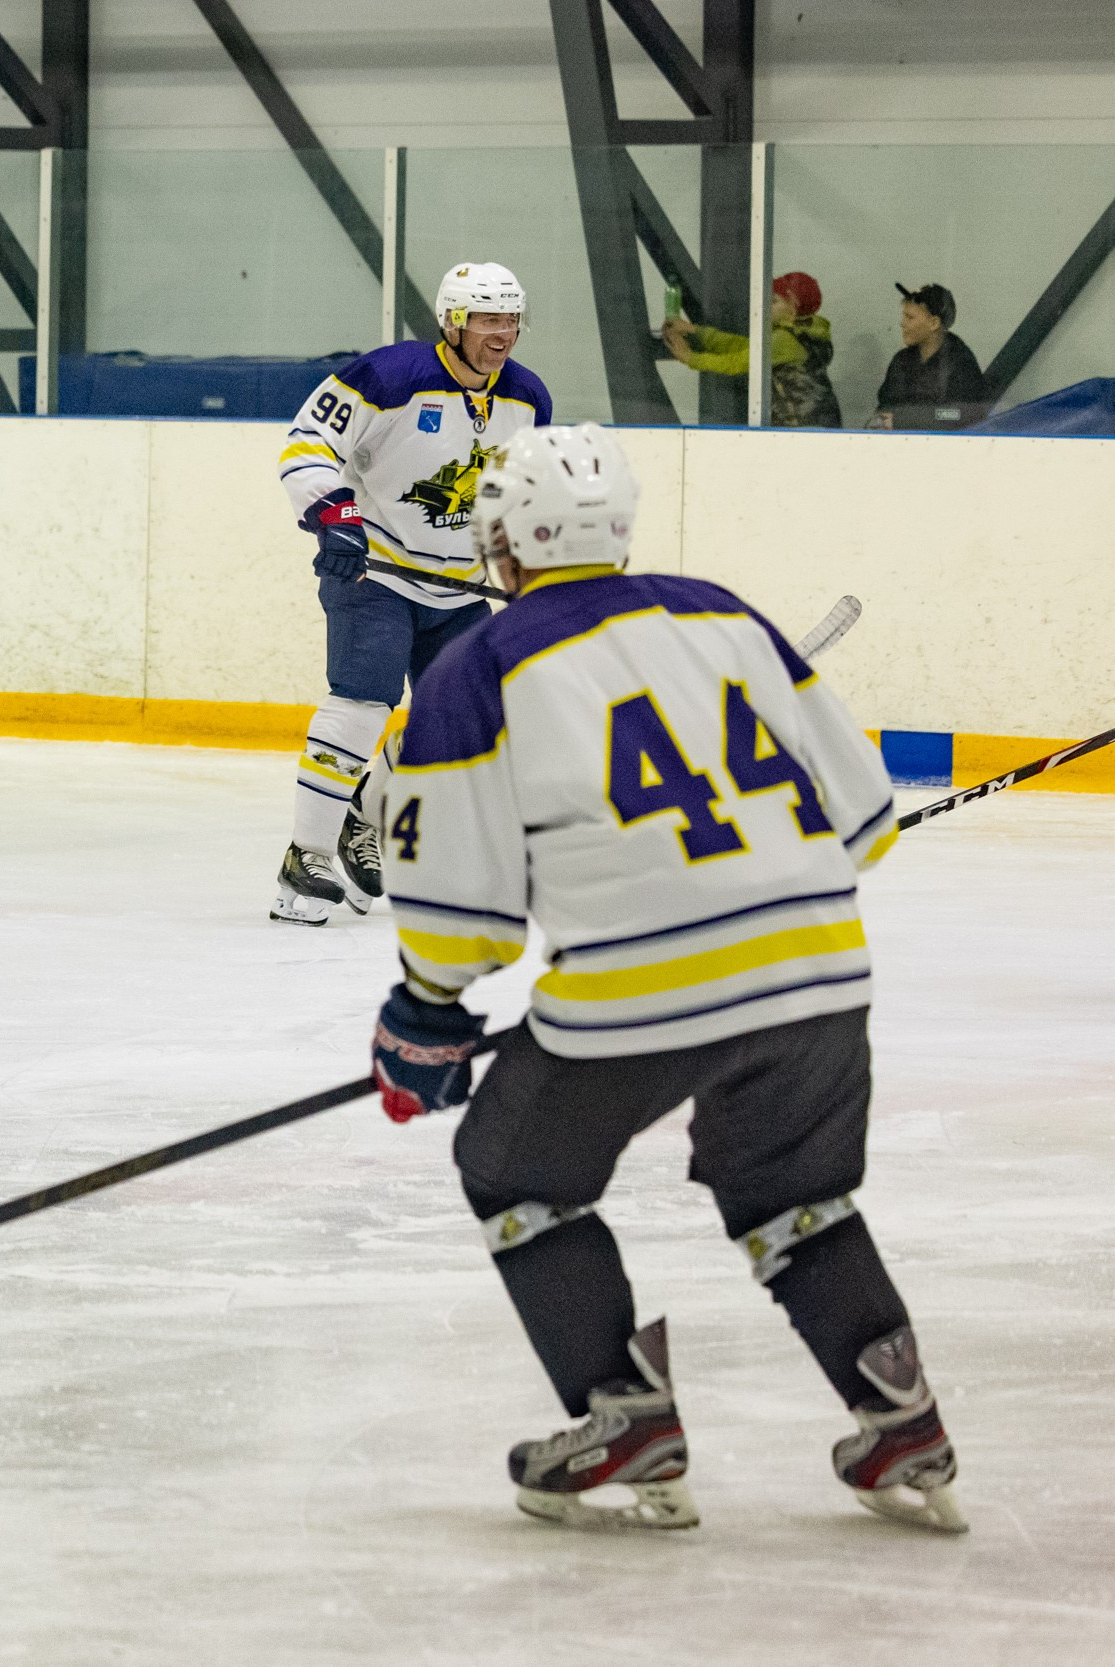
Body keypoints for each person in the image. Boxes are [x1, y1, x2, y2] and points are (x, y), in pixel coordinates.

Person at [361, 424, 964, 1535]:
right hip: (818, 971)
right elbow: (866, 817)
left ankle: (623, 1411)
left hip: (642, 992)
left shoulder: (479, 665)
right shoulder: (724, 612)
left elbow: (457, 911)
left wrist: (422, 1013)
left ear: (504, 543)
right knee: (791, 1193)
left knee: (514, 1170)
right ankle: (903, 1421)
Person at [269, 261, 553, 926]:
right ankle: (304, 854)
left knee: (467, 722)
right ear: (452, 324)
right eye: (487, 319)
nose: (503, 332)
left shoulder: (528, 397)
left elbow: (521, 489)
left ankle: (364, 817)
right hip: (376, 574)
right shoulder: (388, 377)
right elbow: (307, 444)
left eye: (510, 318)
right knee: (363, 703)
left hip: (458, 589)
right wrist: (334, 516)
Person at [660, 270, 843, 427]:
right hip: (815, 426)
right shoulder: (800, 336)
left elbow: (738, 361)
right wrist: (694, 331)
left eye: (774, 302)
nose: (766, 307)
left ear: (793, 308)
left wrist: (690, 358)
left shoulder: (785, 340)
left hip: (801, 428)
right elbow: (743, 346)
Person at [874, 282, 993, 430]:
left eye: (910, 318)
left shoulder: (961, 363)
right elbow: (881, 415)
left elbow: (957, 415)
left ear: (934, 323)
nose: (902, 323)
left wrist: (904, 419)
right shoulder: (901, 360)